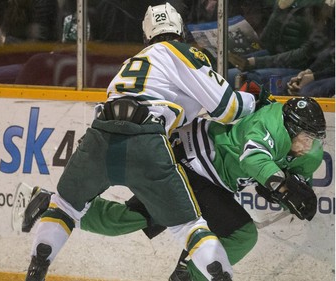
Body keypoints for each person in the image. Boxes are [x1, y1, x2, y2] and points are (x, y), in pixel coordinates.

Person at [23, 3, 271, 281]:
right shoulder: (185, 52)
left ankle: (36, 270)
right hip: (146, 141)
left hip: (99, 136)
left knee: (64, 207)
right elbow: (227, 109)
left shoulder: (134, 62)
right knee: (189, 227)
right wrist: (254, 99)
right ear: (180, 28)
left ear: (146, 35)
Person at [21, 96, 325, 281]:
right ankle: (187, 277)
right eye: (304, 137)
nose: (307, 145)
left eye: (313, 139)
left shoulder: (307, 150)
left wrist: (295, 196)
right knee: (242, 234)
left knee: (128, 220)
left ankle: (51, 204)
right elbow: (253, 157)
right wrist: (280, 185)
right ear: (289, 125)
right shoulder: (270, 123)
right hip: (192, 163)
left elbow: (295, 185)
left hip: (195, 168)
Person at [227, 0, 331, 94]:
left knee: (233, 76)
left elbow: (303, 56)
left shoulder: (315, 7)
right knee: (225, 65)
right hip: (281, 55)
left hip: (300, 64)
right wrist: (279, 10)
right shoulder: (288, 4)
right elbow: (267, 42)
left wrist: (255, 62)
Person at [0, 0, 60, 83]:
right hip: (4, 61)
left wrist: (2, 39)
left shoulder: (43, 2)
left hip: (33, 66)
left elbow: (39, 51)